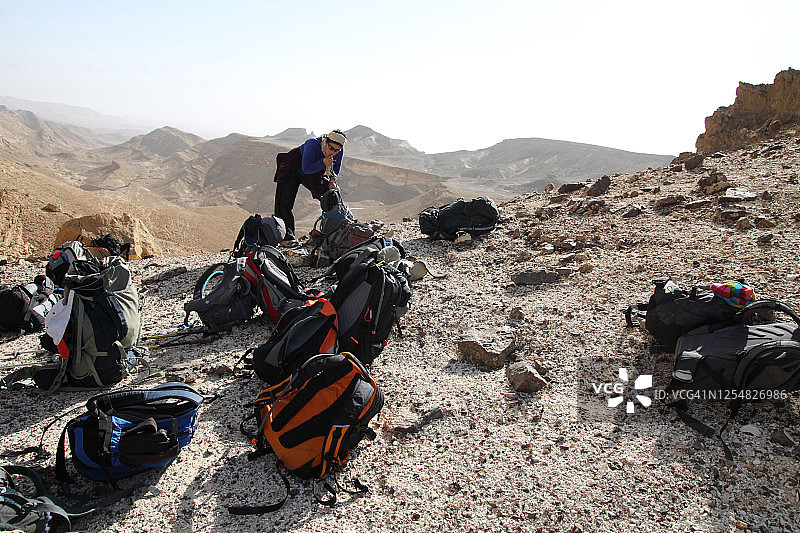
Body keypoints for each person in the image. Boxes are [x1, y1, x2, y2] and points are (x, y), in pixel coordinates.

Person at [273, 129, 347, 243]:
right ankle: (286, 238)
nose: (332, 152)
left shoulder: (338, 151)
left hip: (314, 171)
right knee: (283, 204)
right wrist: (323, 161)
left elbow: (335, 169)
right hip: (294, 167)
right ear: (325, 141)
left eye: (336, 150)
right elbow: (306, 168)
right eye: (330, 148)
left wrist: (332, 181)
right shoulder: (312, 144)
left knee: (331, 197)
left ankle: (331, 234)